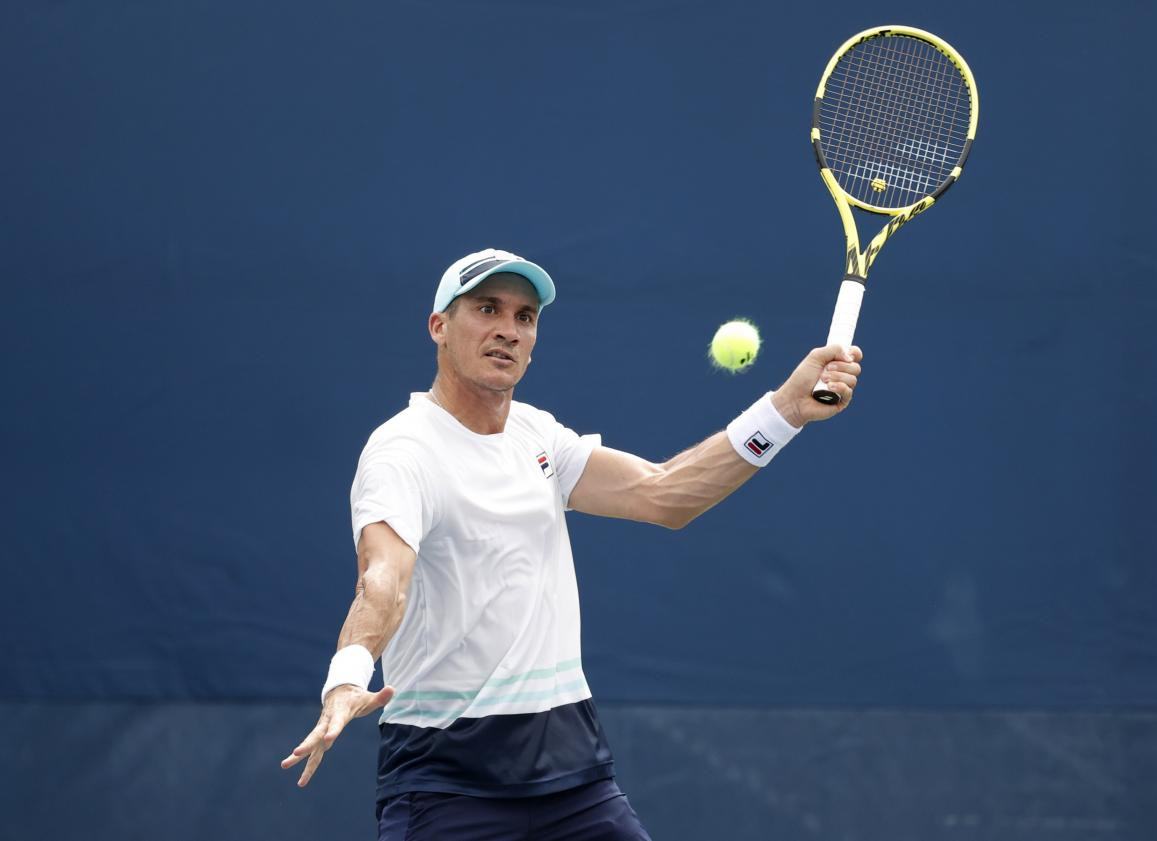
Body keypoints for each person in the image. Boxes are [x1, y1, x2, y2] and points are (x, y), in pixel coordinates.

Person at [281, 248, 863, 840]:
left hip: (575, 784)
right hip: (447, 788)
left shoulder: (538, 435)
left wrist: (787, 409)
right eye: (487, 309)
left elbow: (666, 495)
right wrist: (349, 673)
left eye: (525, 317)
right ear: (439, 326)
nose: (508, 329)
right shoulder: (402, 452)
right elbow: (384, 578)